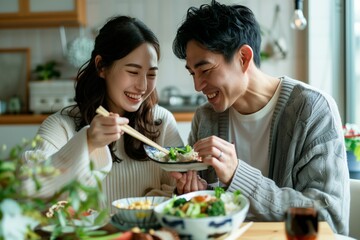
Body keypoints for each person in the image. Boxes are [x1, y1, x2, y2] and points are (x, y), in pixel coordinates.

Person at [170, 0, 350, 235]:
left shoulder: (312, 110)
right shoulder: (206, 117)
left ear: (243, 58)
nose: (197, 85)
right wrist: (192, 194)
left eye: (205, 70)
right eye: (193, 73)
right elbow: (201, 212)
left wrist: (238, 176)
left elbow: (328, 220)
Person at [23, 16, 183, 208]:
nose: (142, 86)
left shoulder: (161, 121)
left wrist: (183, 189)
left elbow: (176, 193)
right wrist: (87, 142)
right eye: (133, 72)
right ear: (101, 66)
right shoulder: (61, 125)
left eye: (151, 74)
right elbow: (28, 188)